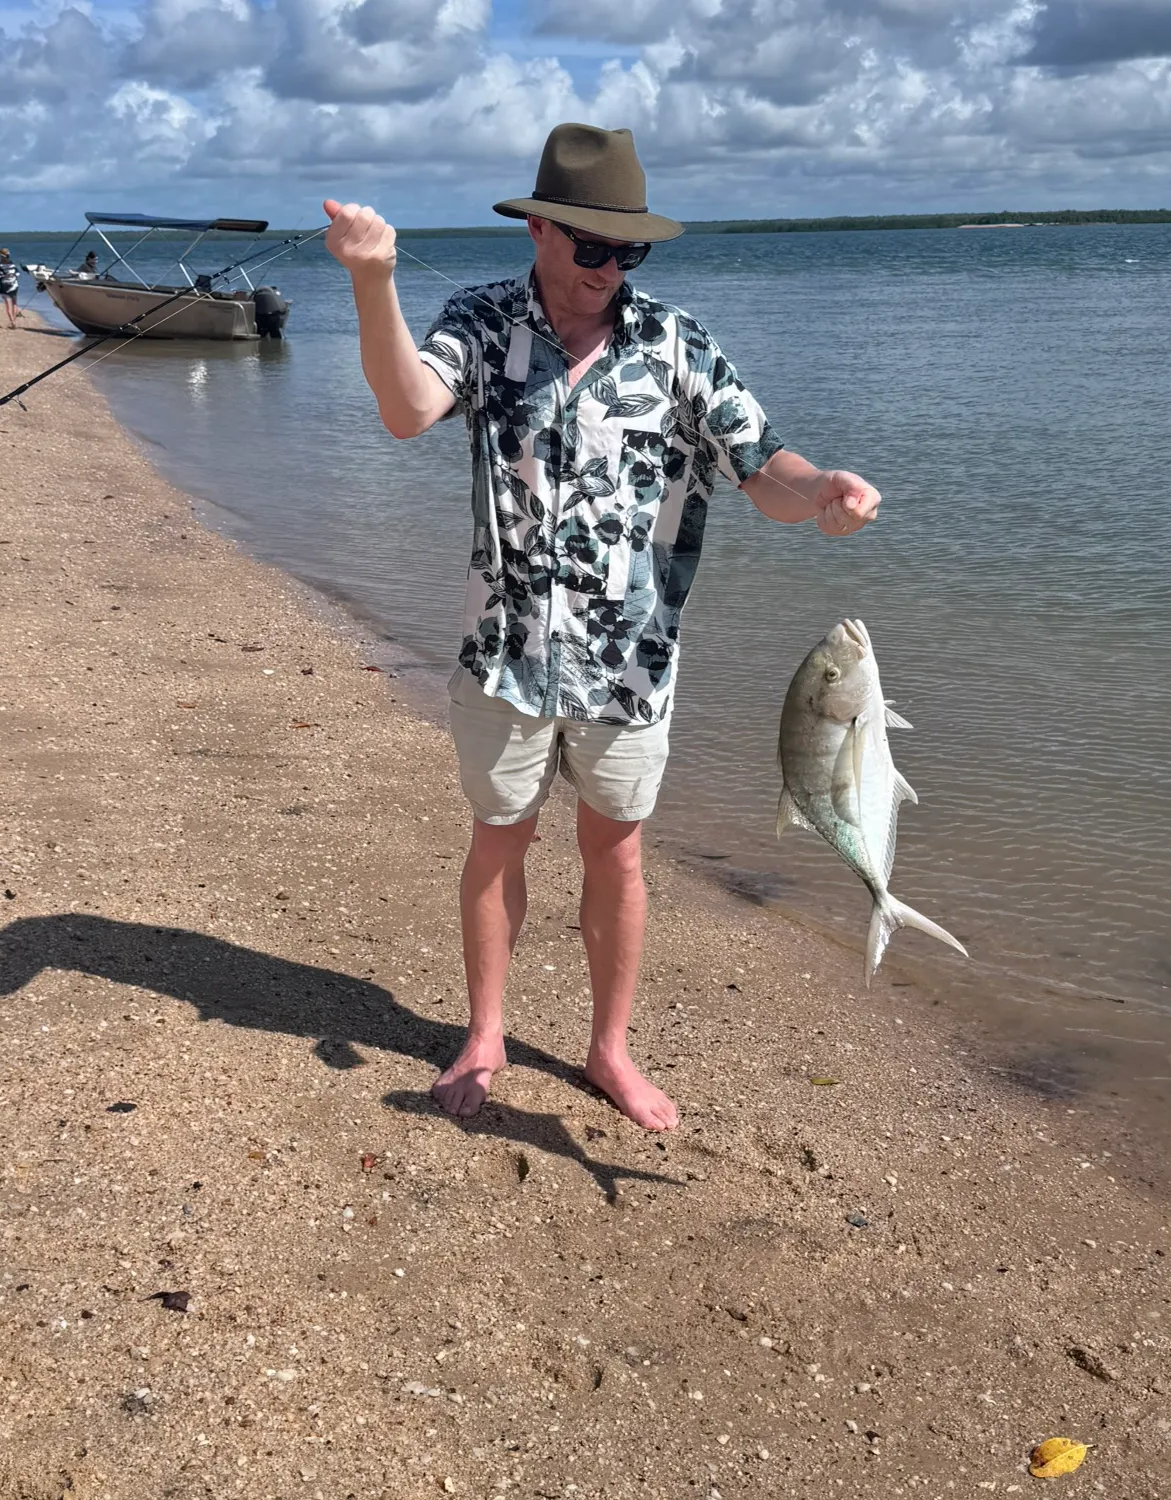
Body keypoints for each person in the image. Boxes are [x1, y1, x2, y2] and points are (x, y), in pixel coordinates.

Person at [322, 123, 881, 1132]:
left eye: (629, 251)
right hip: (502, 656)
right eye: (592, 246)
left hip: (632, 665)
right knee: (499, 841)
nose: (610, 268)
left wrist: (824, 492)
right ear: (539, 229)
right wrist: (373, 282)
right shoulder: (481, 322)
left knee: (616, 855)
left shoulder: (677, 343)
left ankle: (609, 1049)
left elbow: (765, 470)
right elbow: (406, 410)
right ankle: (485, 1032)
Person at [0, 248, 21, 328]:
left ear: (1, 256)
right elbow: (17, 275)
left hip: (5, 287)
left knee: (8, 305)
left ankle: (12, 322)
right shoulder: (12, 264)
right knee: (14, 304)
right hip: (14, 285)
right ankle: (14, 321)